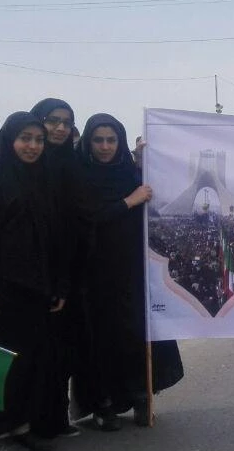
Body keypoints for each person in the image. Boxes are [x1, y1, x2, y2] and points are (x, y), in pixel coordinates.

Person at [0, 112, 70, 451]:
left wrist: (55, 284)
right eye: (25, 138)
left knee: (26, 363)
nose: (33, 146)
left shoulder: (36, 178)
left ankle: (20, 428)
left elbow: (49, 234)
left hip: (31, 289)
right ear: (9, 140)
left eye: (38, 140)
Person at [77, 114, 183, 429]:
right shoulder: (80, 175)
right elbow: (88, 216)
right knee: (102, 340)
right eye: (98, 140)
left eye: (111, 140)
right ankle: (104, 405)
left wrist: (148, 160)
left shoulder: (131, 173)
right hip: (95, 273)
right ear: (88, 142)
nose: (105, 147)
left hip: (134, 270)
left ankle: (141, 396)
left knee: (137, 334)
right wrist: (128, 201)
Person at [30, 98, 85, 437]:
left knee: (62, 349)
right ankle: (33, 424)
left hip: (68, 270)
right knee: (38, 350)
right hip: (32, 273)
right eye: (53, 120)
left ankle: (56, 417)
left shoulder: (72, 163)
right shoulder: (25, 166)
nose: (61, 128)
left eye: (67, 121)